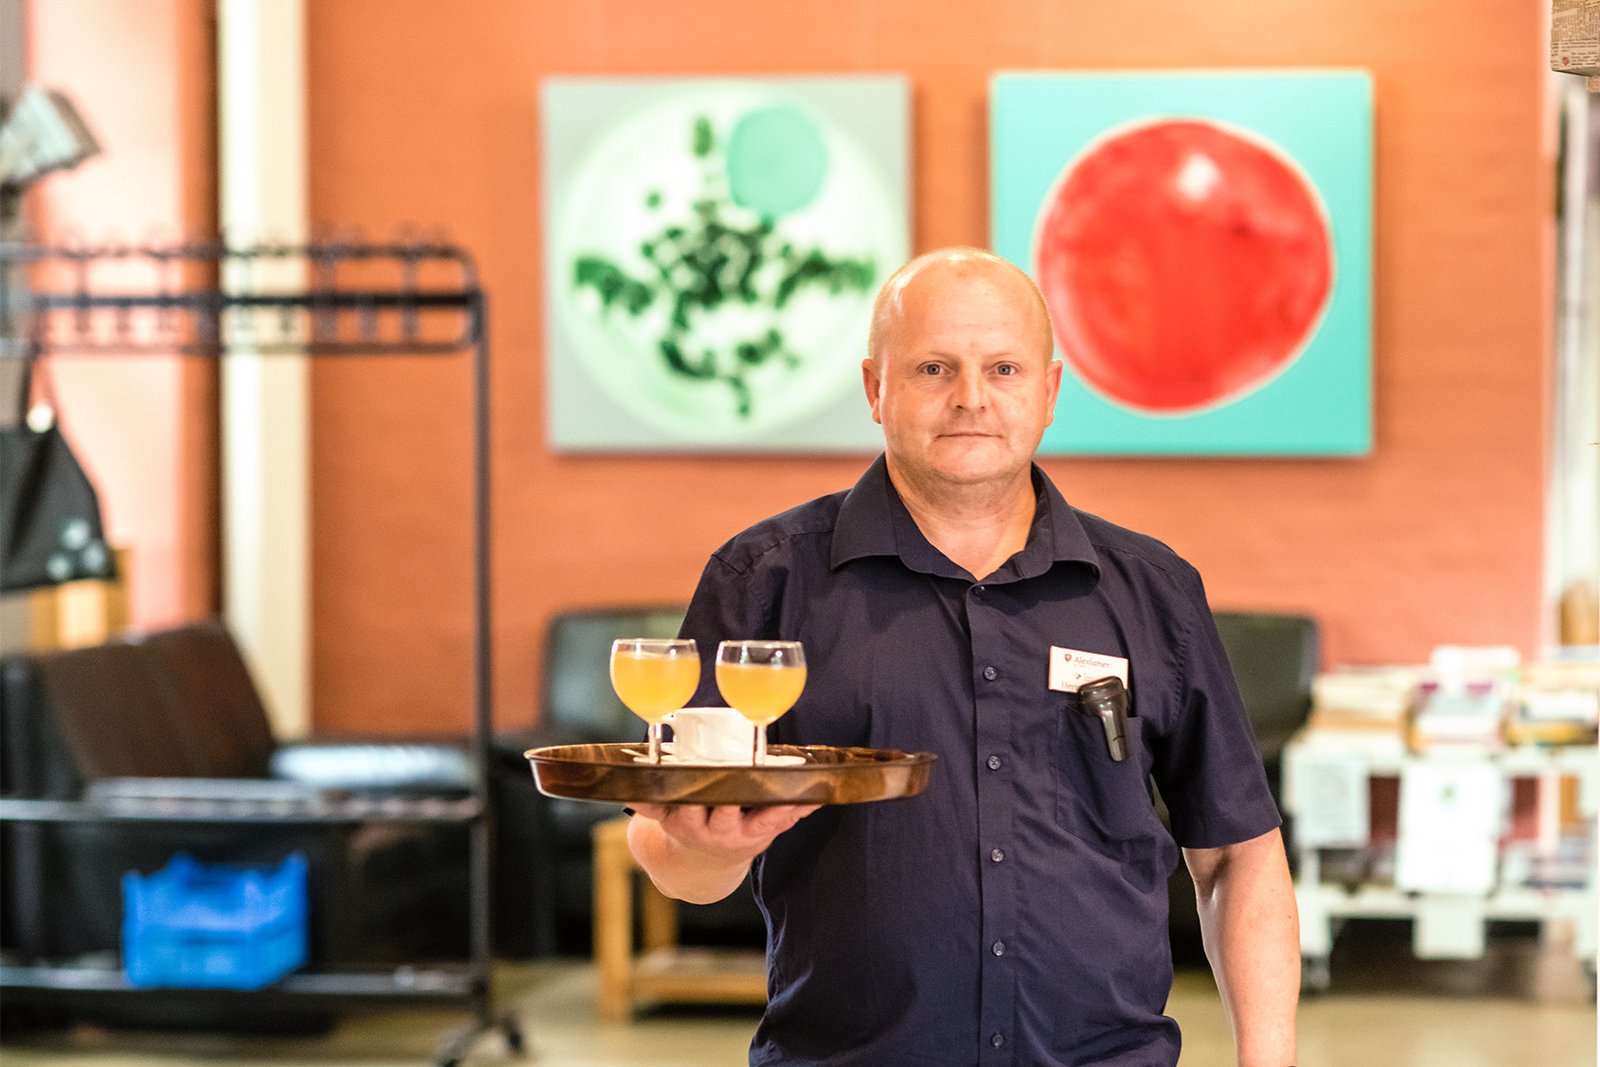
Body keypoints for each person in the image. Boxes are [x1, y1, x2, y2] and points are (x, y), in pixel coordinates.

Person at [628, 247, 1299, 1066]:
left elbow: (1239, 854)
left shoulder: (1154, 590)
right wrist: (707, 850)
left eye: (1005, 368)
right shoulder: (764, 582)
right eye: (934, 367)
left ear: (1049, 393)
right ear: (876, 388)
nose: (971, 398)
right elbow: (666, 852)